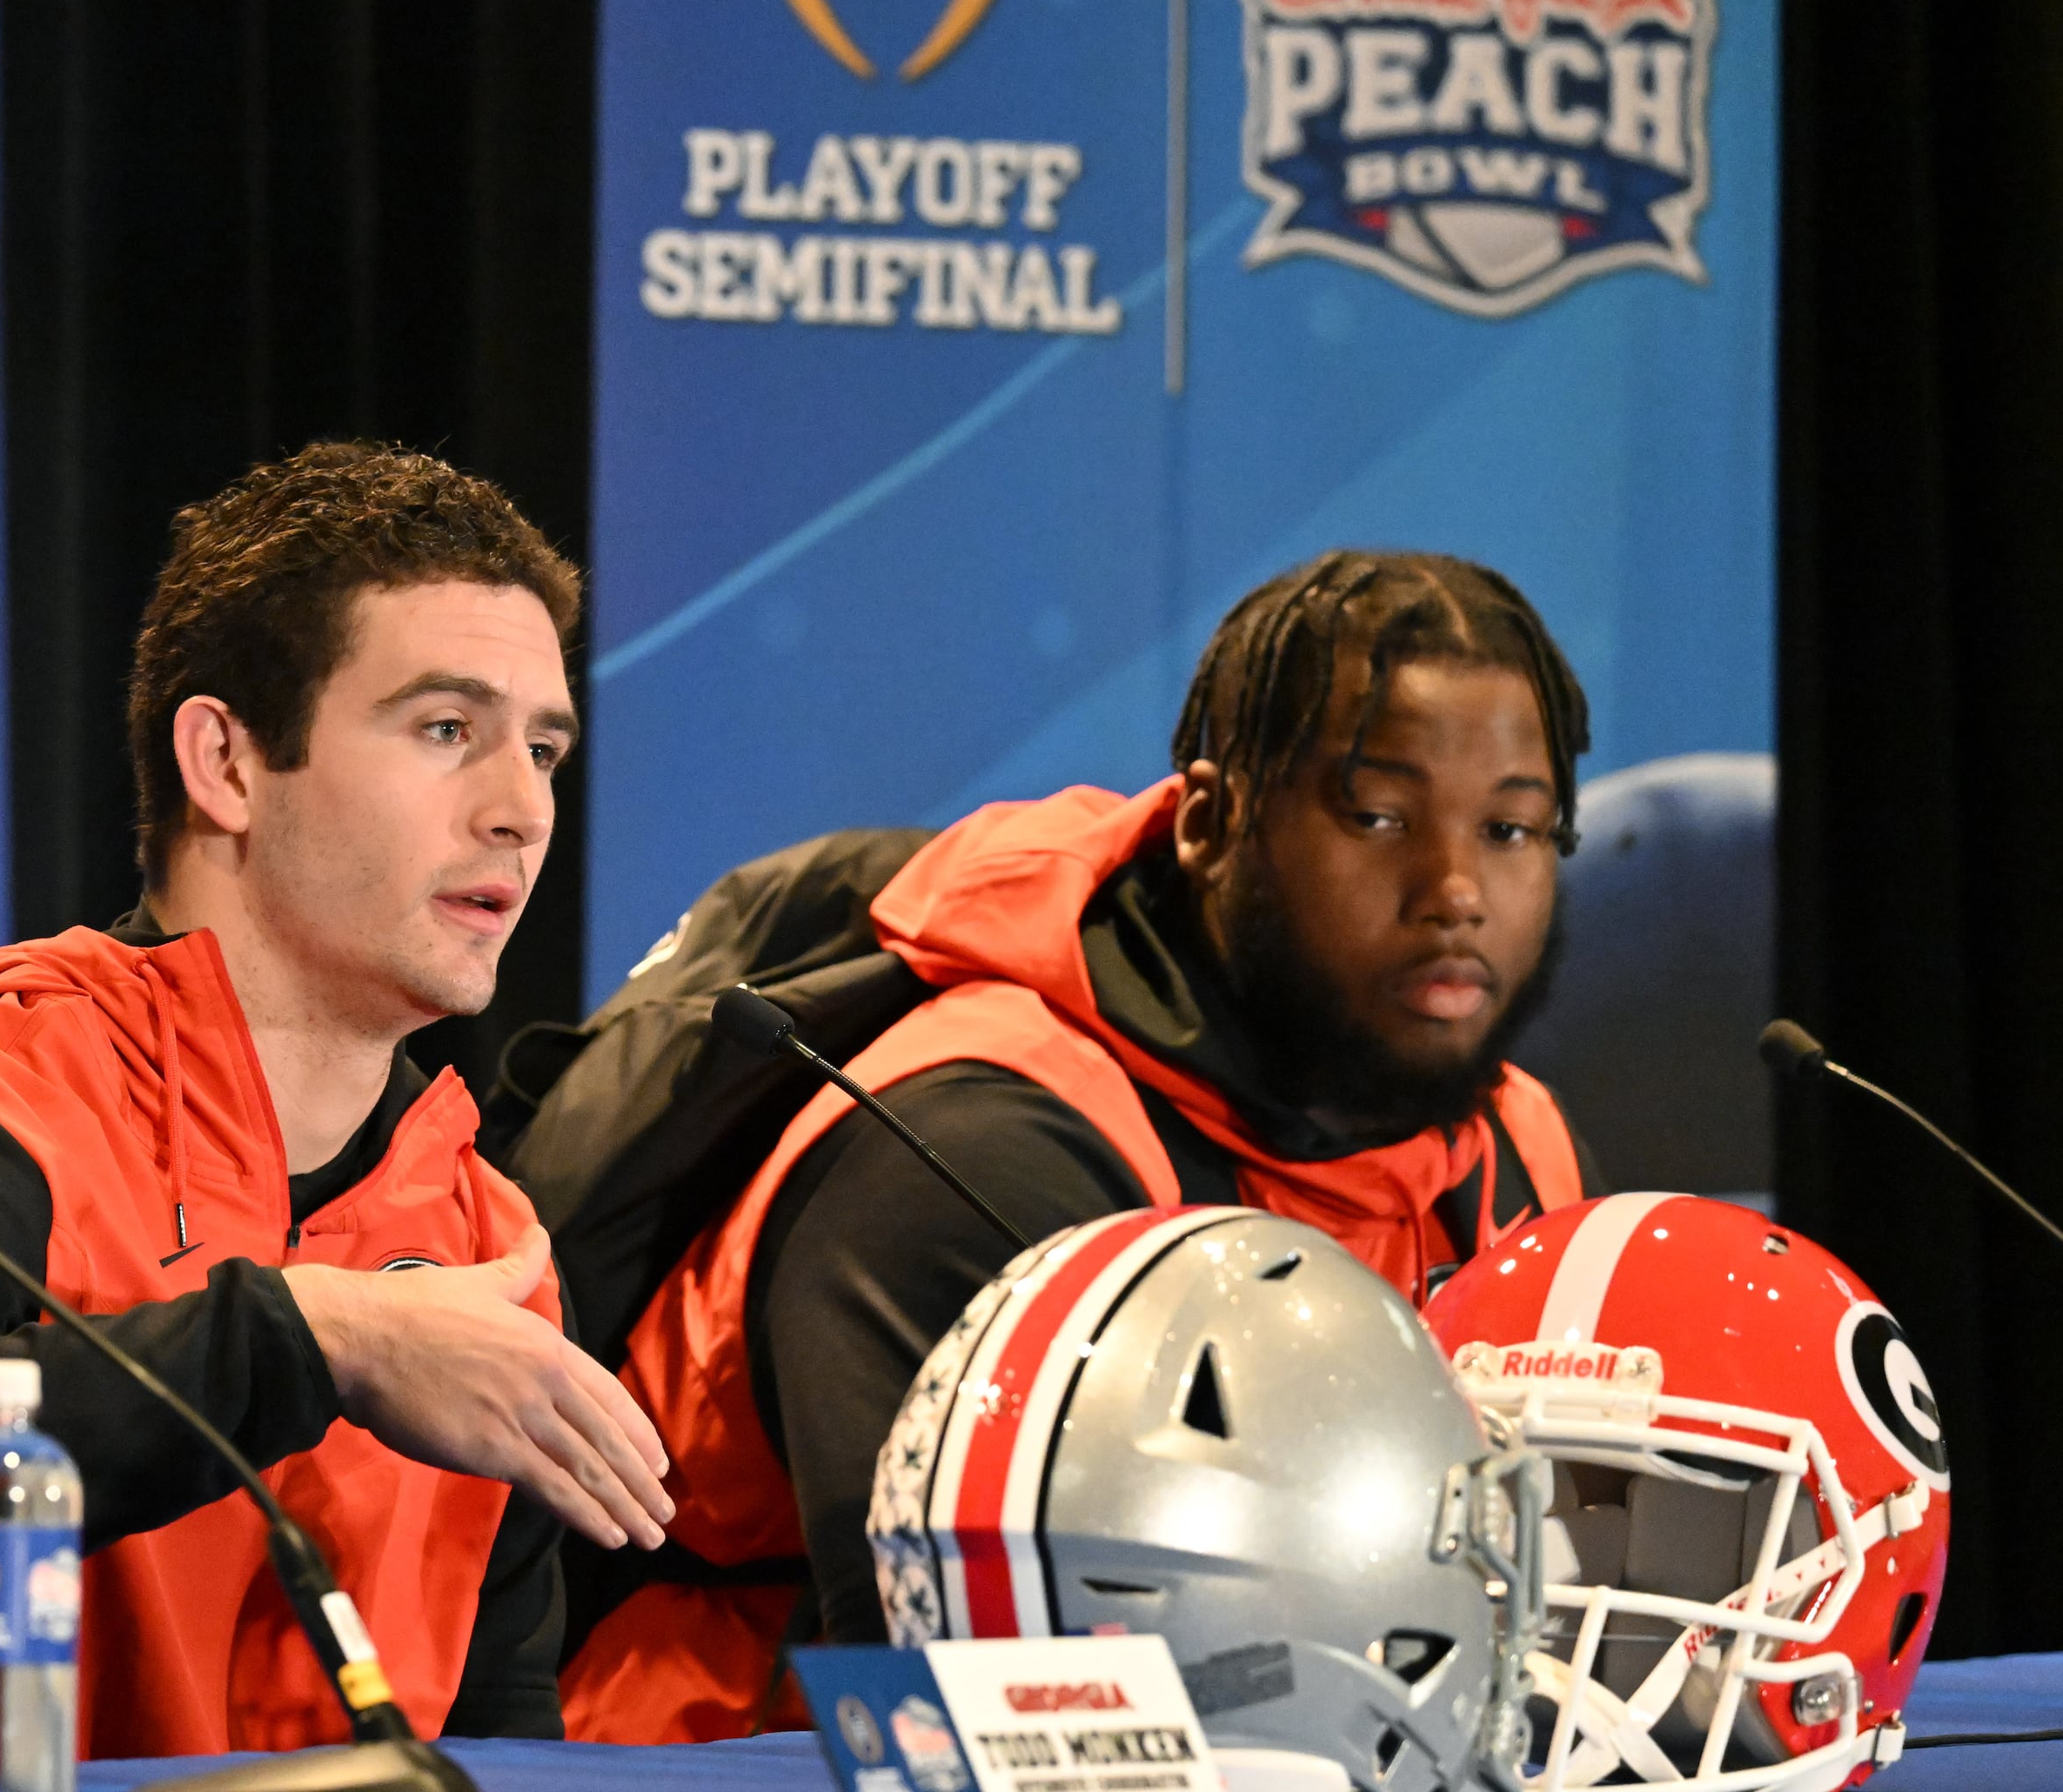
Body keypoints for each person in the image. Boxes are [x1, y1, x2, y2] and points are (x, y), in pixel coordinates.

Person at [0, 441, 673, 1757]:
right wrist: (319, 1339)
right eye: (447, 730)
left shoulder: (482, 1239)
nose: (520, 811)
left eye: (543, 749)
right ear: (224, 763)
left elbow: (498, 1731)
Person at [559, 551, 1594, 1742]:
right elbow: (969, 1704)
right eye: (1377, 815)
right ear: (1213, 822)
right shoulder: (967, 1139)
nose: (1456, 889)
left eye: (1513, 828)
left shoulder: (1519, 1144)